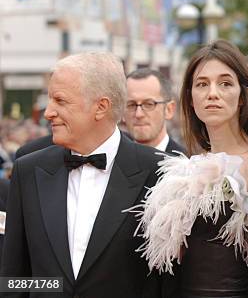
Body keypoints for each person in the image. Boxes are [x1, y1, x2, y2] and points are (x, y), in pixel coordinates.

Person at [0, 52, 161, 298]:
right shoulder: (28, 170)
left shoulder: (158, 172)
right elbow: (14, 280)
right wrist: (51, 289)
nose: (48, 112)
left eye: (60, 101)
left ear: (101, 107)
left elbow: (164, 283)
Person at [134, 40, 248, 298]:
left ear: (244, 96)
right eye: (201, 84)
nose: (212, 93)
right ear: (190, 98)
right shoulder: (186, 167)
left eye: (225, 83)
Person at [125, 68, 185, 154]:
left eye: (149, 104)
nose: (138, 114)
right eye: (131, 105)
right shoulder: (110, 160)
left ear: (169, 110)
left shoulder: (188, 164)